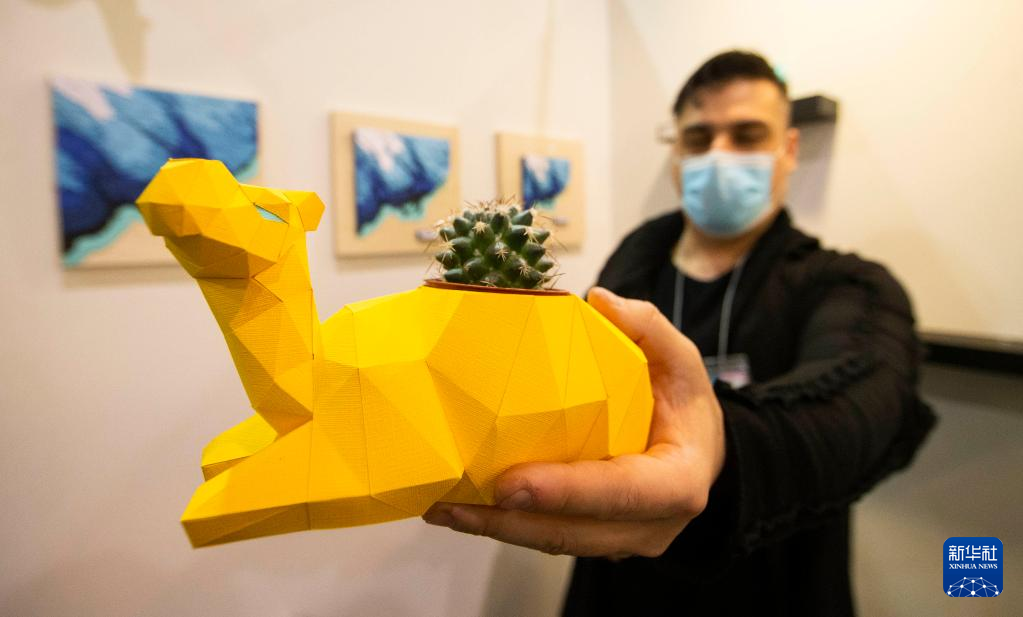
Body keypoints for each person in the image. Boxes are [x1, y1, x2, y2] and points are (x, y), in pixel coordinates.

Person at [423, 50, 936, 616]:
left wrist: (719, 446)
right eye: (699, 137)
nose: (719, 155)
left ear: (789, 149)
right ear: (677, 153)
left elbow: (866, 405)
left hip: (773, 594)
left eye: (747, 135)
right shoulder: (628, 270)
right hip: (619, 595)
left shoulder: (850, 286)